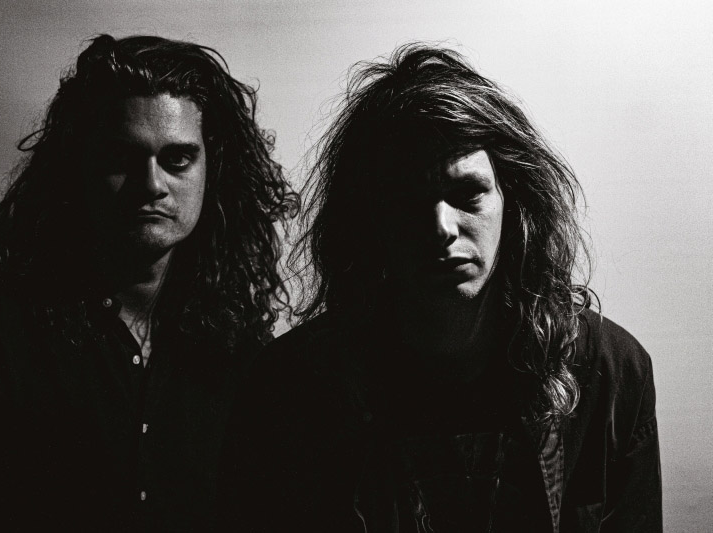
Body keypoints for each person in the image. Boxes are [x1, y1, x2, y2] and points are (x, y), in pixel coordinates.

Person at [218, 44, 661, 531]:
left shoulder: (608, 371)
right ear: (370, 217)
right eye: (409, 199)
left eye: (467, 193)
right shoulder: (291, 389)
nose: (441, 228)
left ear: (514, 200)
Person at [0, 34, 297, 530]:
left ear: (212, 169)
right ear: (80, 166)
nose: (152, 185)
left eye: (177, 159)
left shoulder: (238, 355)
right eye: (122, 158)